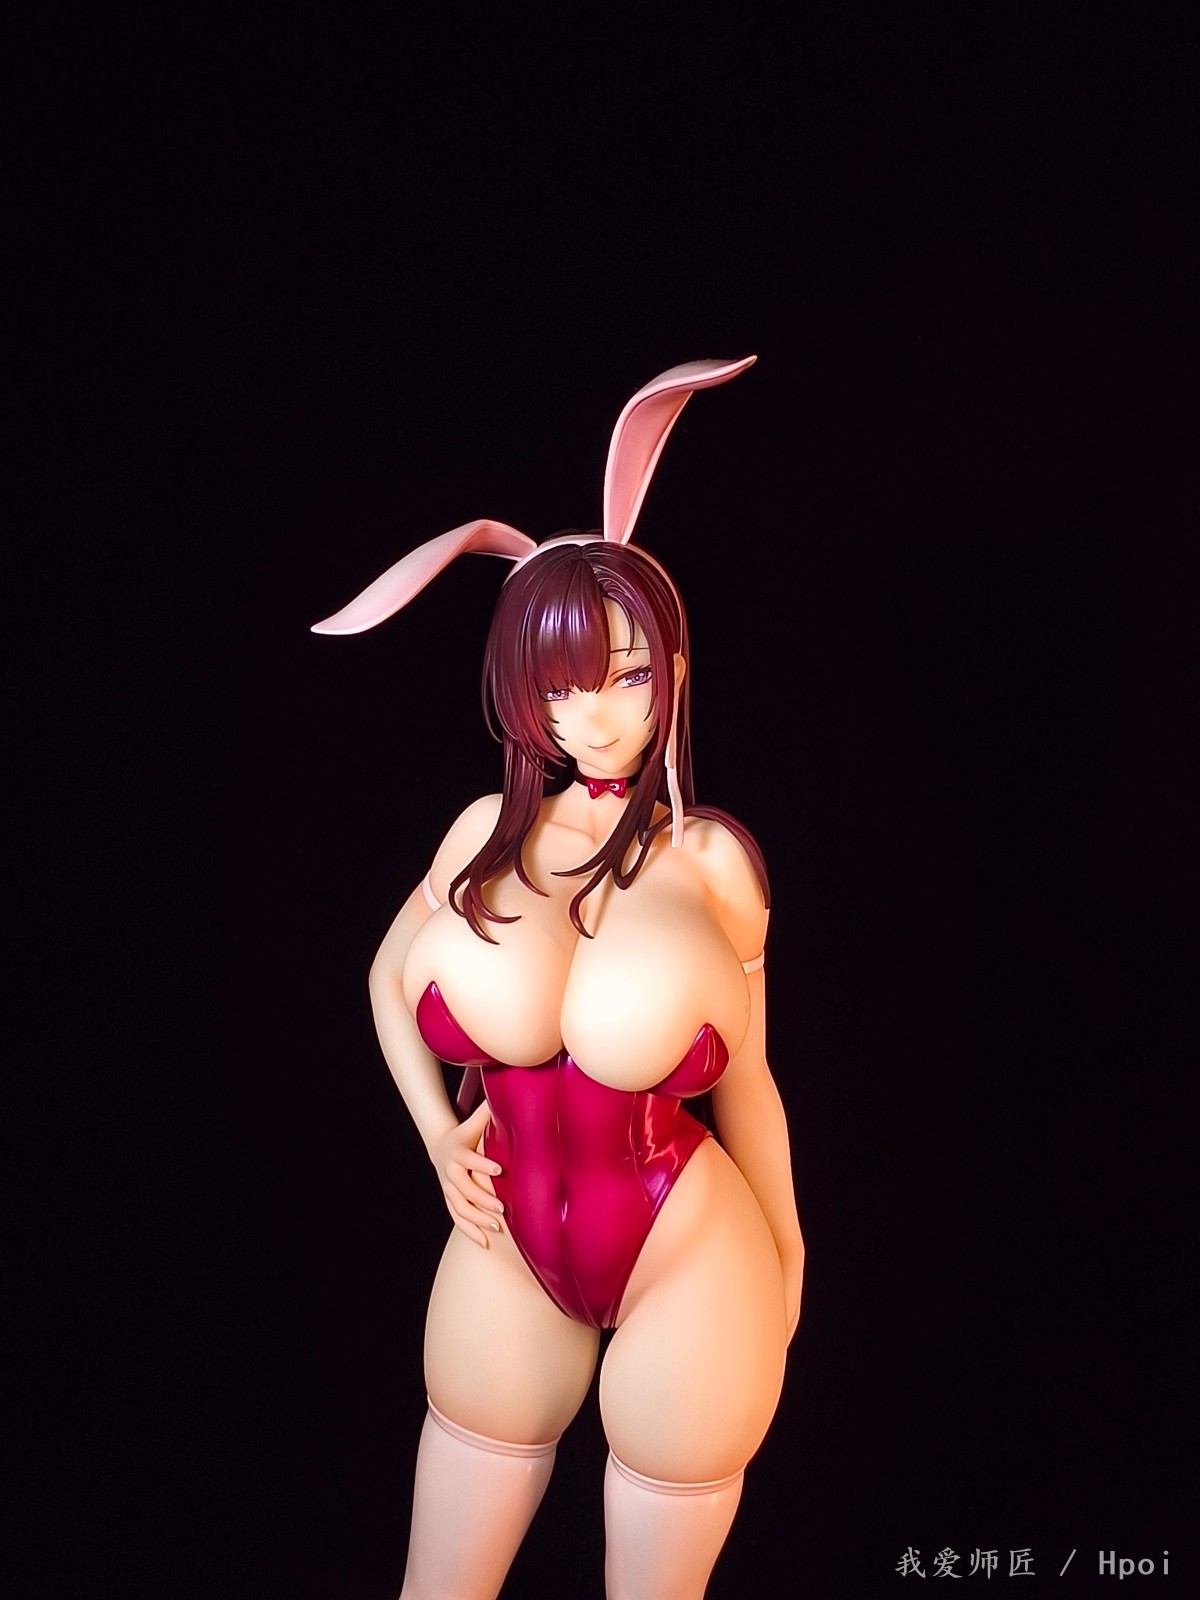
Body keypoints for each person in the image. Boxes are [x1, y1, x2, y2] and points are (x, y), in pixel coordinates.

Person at [313, 358, 803, 1600]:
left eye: (628, 675)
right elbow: (383, 980)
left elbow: (750, 1078)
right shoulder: (482, 835)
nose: (596, 716)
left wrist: (790, 1259)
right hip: (503, 1241)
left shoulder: (712, 863)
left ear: (673, 669)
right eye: (559, 686)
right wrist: (439, 1138)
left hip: (692, 1253)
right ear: (521, 692)